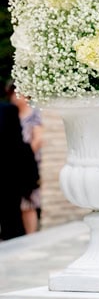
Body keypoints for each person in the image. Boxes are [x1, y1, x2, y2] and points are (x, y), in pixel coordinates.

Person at [6, 81, 43, 233]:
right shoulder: (9, 114)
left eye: (17, 93)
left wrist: (24, 157)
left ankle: (31, 235)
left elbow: (38, 139)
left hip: (28, 163)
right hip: (12, 164)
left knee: (29, 201)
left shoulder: (34, 114)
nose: (14, 98)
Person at [0, 100, 39, 240]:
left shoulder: (8, 109)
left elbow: (16, 140)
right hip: (12, 171)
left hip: (10, 172)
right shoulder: (8, 109)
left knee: (12, 216)